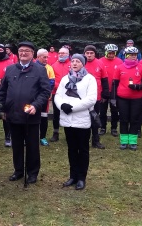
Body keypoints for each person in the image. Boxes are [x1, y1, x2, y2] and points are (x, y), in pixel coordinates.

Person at [0, 41, 51, 184]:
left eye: (27, 51)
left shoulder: (40, 70)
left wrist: (36, 105)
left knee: (32, 145)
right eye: (21, 50)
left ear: (32, 54)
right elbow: (3, 91)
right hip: (13, 114)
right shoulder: (10, 70)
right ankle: (19, 170)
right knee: (16, 144)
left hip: (31, 115)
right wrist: (2, 108)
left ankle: (32, 172)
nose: (23, 53)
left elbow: (45, 91)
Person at [54, 54, 97, 190]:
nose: (74, 63)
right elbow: (58, 96)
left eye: (78, 61)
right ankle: (73, 176)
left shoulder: (89, 79)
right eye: (73, 61)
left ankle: (81, 177)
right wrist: (62, 106)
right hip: (68, 120)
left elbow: (91, 99)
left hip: (82, 119)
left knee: (82, 150)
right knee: (71, 149)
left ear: (83, 64)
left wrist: (72, 108)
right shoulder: (65, 79)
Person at [111, 46, 142, 150]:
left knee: (134, 119)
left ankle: (132, 141)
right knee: (123, 119)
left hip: (137, 98)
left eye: (135, 55)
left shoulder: (141, 67)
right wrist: (113, 98)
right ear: (126, 56)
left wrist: (138, 87)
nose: (134, 57)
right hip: (122, 98)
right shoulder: (119, 67)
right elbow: (114, 84)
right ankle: (123, 141)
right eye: (131, 55)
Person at [83, 45, 109, 149]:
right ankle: (84, 140)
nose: (89, 55)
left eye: (91, 53)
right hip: (83, 97)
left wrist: (105, 93)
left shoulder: (100, 63)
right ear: (84, 54)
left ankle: (96, 140)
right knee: (84, 119)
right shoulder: (81, 63)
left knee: (94, 118)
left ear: (95, 54)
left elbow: (104, 79)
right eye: (87, 53)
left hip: (96, 97)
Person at [99, 44, 122, 137]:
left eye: (113, 53)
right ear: (106, 52)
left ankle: (114, 128)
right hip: (103, 90)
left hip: (114, 90)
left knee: (114, 111)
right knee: (102, 110)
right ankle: (102, 127)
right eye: (109, 53)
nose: (111, 55)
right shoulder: (100, 61)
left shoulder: (120, 61)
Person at [50, 47, 71, 142]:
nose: (61, 54)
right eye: (59, 53)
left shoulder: (72, 64)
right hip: (57, 93)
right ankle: (55, 132)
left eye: (63, 53)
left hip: (69, 93)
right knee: (56, 114)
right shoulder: (53, 65)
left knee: (69, 113)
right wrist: (61, 86)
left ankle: (69, 133)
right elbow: (51, 79)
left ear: (68, 54)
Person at [35, 49, 55, 146]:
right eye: (44, 57)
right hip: (32, 97)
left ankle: (42, 137)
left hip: (43, 97)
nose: (46, 59)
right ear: (38, 57)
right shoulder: (32, 67)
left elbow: (51, 82)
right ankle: (31, 137)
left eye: (47, 57)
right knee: (31, 116)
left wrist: (48, 92)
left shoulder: (49, 68)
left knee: (43, 117)